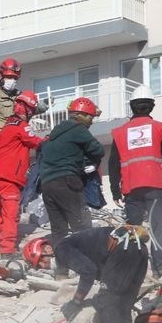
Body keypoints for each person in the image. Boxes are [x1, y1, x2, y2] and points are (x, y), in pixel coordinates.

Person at [108, 86, 162, 277]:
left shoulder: (120, 132)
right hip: (156, 185)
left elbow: (112, 164)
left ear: (132, 107)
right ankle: (159, 268)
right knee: (157, 227)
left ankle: (133, 268)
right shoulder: (159, 128)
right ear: (152, 106)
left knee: (134, 229)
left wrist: (115, 191)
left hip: (131, 188)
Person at [55, 225, 150, 323]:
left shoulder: (62, 249)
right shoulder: (86, 239)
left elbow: (88, 271)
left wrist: (76, 301)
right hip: (139, 251)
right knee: (123, 306)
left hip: (124, 250)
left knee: (108, 303)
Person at [37, 97, 105, 277]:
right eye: (90, 117)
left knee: (59, 231)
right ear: (82, 116)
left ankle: (62, 272)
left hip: (47, 185)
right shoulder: (78, 130)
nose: (91, 121)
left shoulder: (53, 134)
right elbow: (99, 151)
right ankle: (91, 270)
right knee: (82, 226)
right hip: (67, 180)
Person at [0, 93, 45, 260]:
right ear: (28, 109)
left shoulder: (8, 123)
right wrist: (48, 140)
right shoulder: (22, 125)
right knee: (11, 211)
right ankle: (7, 249)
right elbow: (34, 142)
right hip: (8, 174)